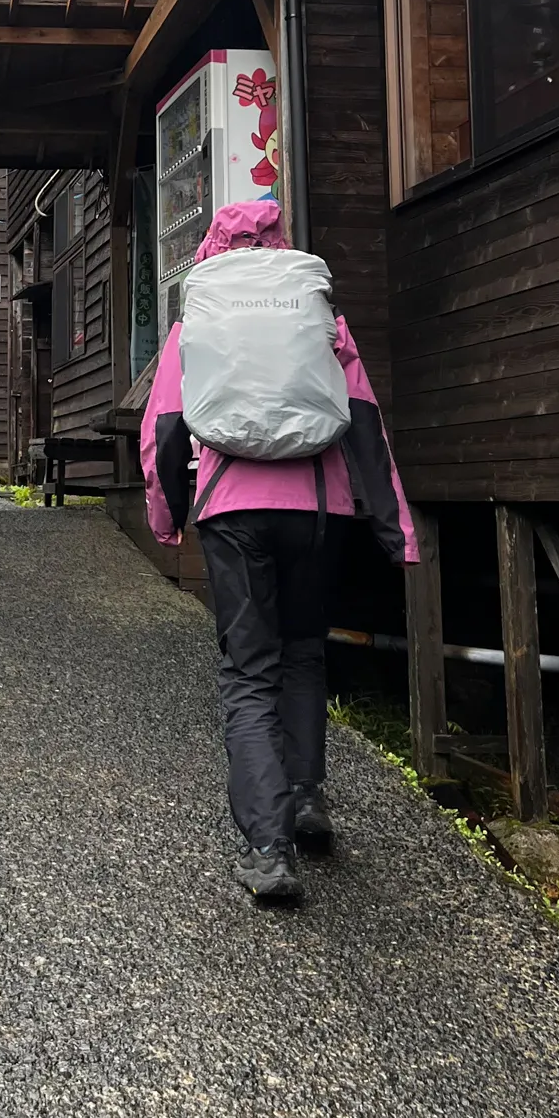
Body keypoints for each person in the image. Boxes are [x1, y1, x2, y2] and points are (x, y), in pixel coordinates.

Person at [141, 199, 416, 905]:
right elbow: (364, 424)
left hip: (234, 511)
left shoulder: (195, 321)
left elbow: (166, 430)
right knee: (303, 653)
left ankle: (268, 851)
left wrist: (168, 516)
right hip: (317, 509)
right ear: (282, 244)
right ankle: (304, 801)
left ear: (211, 247)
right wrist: (394, 528)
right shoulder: (318, 316)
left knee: (249, 672)